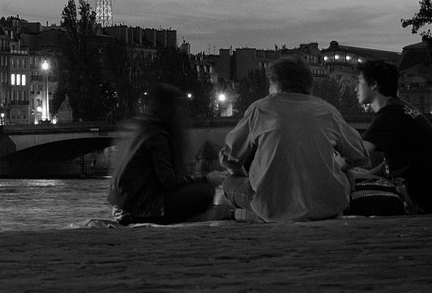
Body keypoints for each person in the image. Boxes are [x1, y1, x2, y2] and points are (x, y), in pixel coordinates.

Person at [219, 56, 368, 222]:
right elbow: (359, 154)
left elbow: (230, 157)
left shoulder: (260, 109)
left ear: (275, 83)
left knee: (229, 183)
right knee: (347, 174)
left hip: (274, 207)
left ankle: (255, 215)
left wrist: (243, 176)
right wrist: (338, 165)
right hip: (328, 207)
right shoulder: (327, 110)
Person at [106, 84, 225, 225]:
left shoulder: (138, 128)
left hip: (123, 207)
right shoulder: (157, 135)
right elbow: (169, 182)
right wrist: (207, 179)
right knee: (204, 193)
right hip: (142, 210)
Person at [356, 60, 432, 213]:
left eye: (359, 82)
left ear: (373, 85)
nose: (355, 88)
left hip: (411, 199)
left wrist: (331, 165)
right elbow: (396, 164)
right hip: (424, 198)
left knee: (347, 195)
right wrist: (367, 174)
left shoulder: (391, 113)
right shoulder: (400, 108)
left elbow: (356, 152)